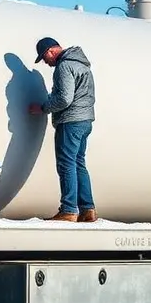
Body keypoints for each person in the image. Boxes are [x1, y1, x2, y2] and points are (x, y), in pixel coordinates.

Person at [28, 37, 97, 222]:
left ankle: (68, 210)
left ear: (51, 51)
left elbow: (65, 98)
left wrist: (42, 108)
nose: (46, 62)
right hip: (85, 120)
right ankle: (87, 210)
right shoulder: (82, 64)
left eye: (44, 58)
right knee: (78, 164)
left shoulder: (64, 66)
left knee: (66, 165)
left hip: (70, 121)